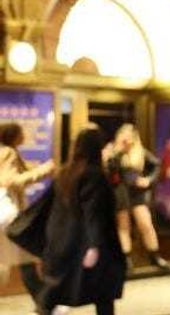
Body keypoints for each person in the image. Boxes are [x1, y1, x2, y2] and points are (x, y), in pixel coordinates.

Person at [39, 126, 125, 315]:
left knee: (56, 289)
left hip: (63, 240)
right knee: (104, 293)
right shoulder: (94, 175)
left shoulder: (65, 173)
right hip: (90, 243)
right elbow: (93, 212)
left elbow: (53, 209)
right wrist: (94, 245)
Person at [0, 122, 55, 307]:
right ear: (14, 135)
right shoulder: (8, 152)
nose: (24, 135)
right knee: (25, 260)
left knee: (22, 261)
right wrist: (44, 170)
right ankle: (46, 304)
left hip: (5, 216)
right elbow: (11, 181)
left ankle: (45, 304)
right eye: (21, 132)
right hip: (8, 215)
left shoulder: (7, 152)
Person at [106, 124, 169, 270]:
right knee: (123, 226)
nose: (127, 139)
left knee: (145, 223)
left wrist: (148, 180)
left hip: (137, 192)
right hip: (120, 190)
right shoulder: (113, 152)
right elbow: (109, 169)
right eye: (124, 135)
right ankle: (126, 260)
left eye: (130, 136)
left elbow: (157, 166)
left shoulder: (140, 152)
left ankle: (155, 256)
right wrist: (118, 151)